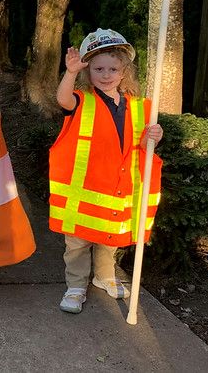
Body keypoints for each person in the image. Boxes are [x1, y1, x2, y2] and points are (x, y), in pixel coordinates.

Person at [51, 28, 163, 314]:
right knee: (78, 243)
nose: (106, 74)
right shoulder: (81, 99)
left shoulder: (139, 106)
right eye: (98, 68)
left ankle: (103, 276)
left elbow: (140, 144)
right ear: (88, 72)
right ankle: (76, 286)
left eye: (113, 68)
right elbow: (63, 100)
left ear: (124, 71)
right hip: (85, 190)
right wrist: (70, 73)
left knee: (108, 238)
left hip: (116, 189)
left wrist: (154, 136)